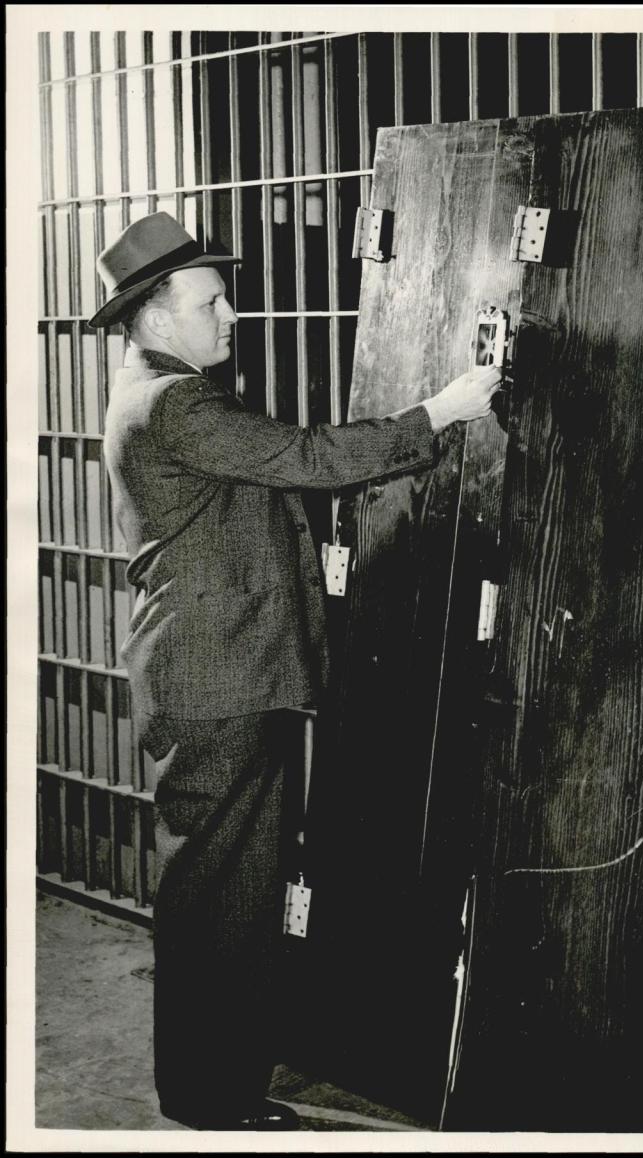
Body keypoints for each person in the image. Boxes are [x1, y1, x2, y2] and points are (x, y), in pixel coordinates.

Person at [91, 211, 500, 1131]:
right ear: (157, 317)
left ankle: (206, 1080)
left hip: (212, 672)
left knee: (216, 890)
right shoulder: (175, 403)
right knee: (226, 897)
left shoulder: (145, 391)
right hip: (219, 680)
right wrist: (441, 411)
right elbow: (306, 459)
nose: (229, 314)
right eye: (210, 301)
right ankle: (212, 1097)